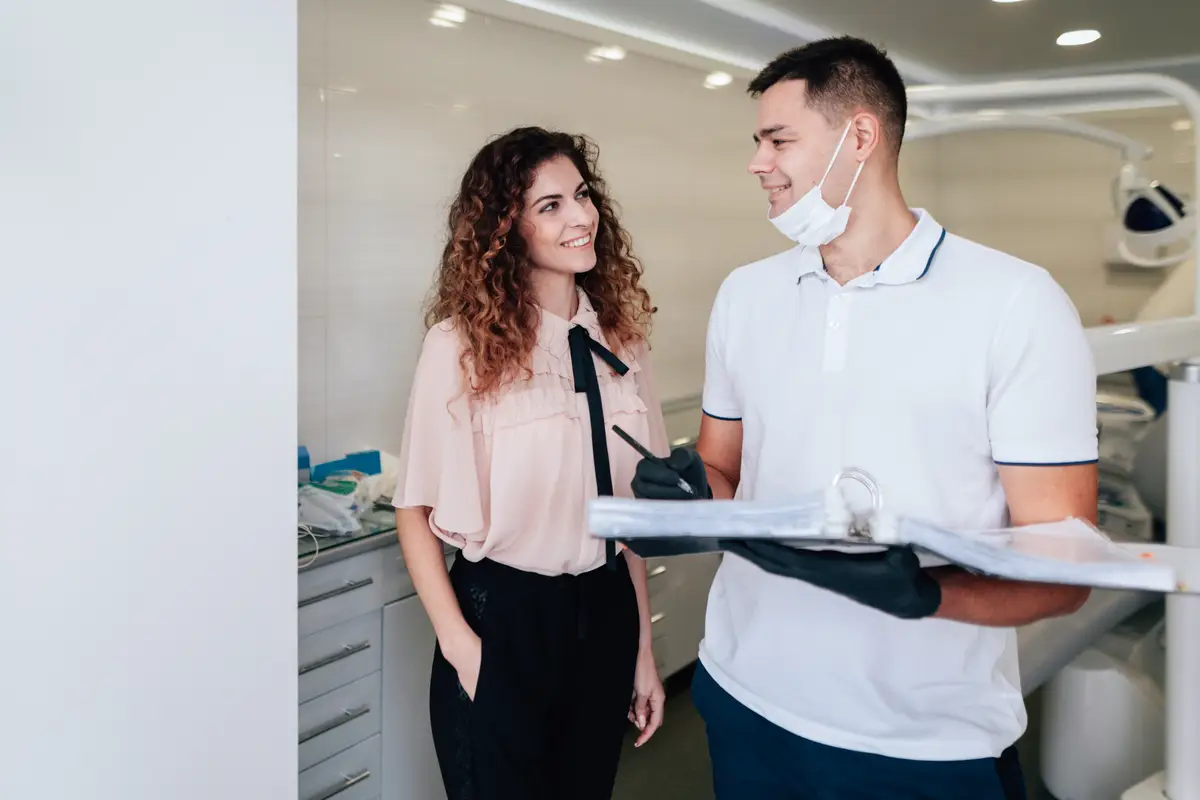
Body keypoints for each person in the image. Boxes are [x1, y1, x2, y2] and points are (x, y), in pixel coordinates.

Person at [632, 37, 1098, 799]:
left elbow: (1066, 566)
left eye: (778, 140)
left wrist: (929, 593)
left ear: (859, 136)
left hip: (920, 741)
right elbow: (722, 471)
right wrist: (685, 498)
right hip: (745, 697)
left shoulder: (1016, 303)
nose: (757, 163)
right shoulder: (747, 296)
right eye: (758, 142)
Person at [392, 126, 667, 800]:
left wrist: (642, 651)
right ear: (505, 229)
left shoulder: (623, 343)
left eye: (582, 195)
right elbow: (414, 510)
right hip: (502, 617)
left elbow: (629, 518)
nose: (581, 217)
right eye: (550, 205)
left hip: (606, 611)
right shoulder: (459, 345)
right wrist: (463, 648)